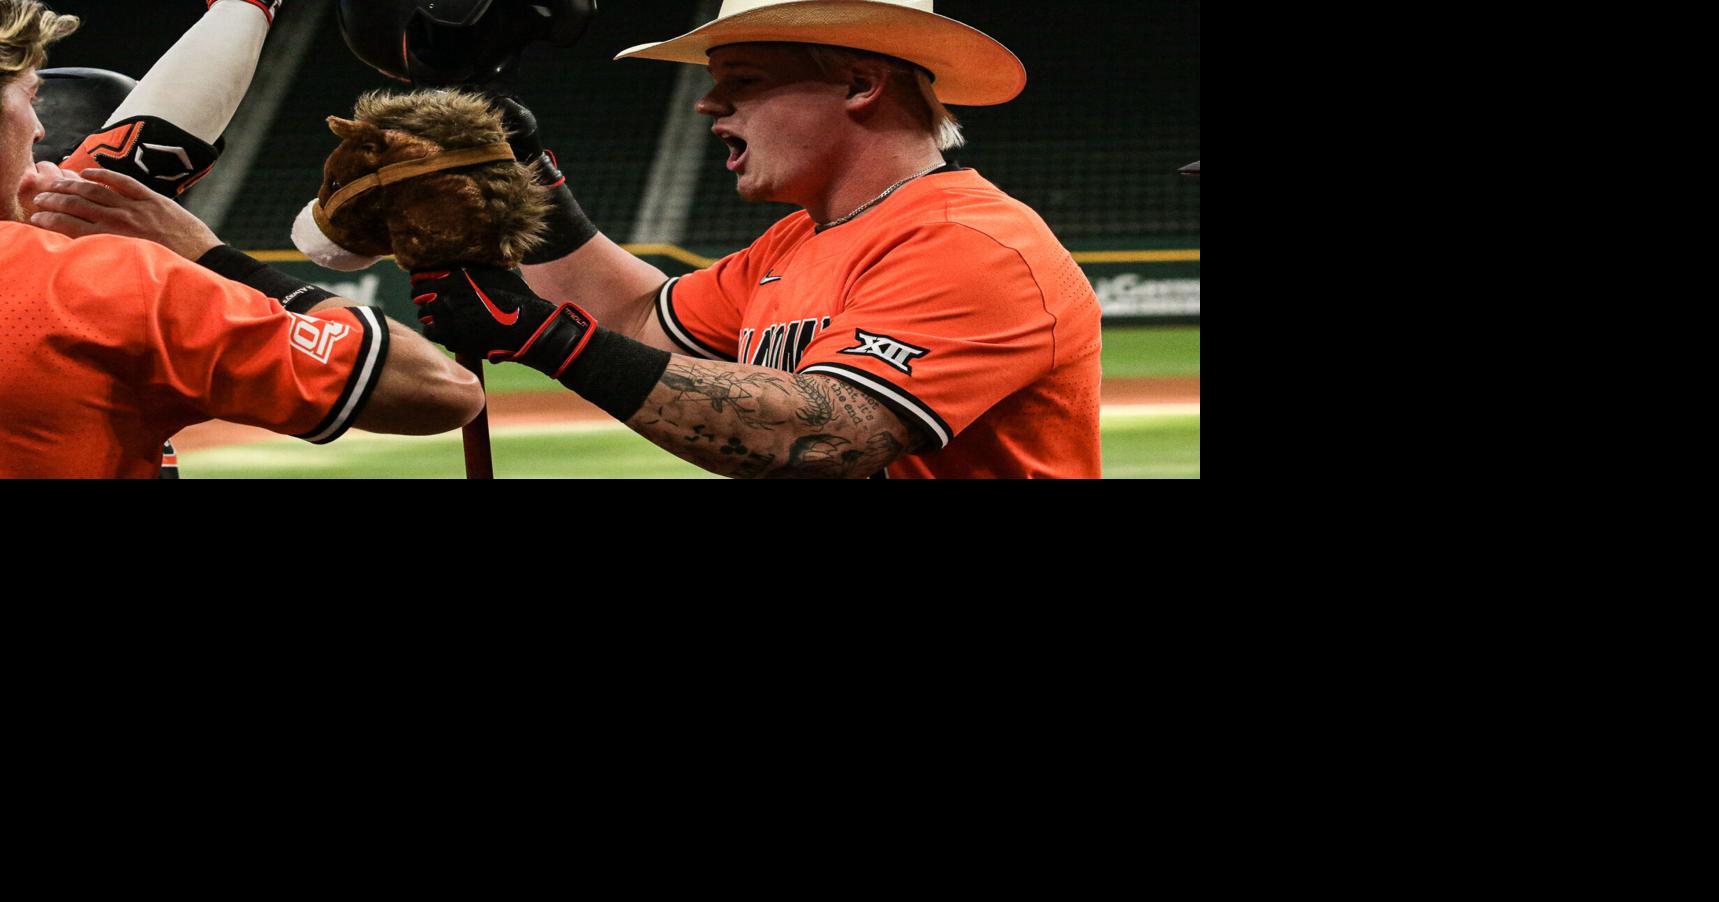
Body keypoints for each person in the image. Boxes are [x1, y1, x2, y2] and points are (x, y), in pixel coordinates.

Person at [414, 0, 1104, 478]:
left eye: (742, 82)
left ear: (861, 84)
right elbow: (635, 319)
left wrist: (548, 340)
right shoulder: (794, 242)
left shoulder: (967, 239)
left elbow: (834, 438)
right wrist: (525, 177)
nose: (708, 105)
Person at [2, 0, 484, 478]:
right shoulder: (108, 285)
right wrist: (208, 256)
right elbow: (439, 390)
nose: (43, 129)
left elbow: (136, 148)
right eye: (31, 97)